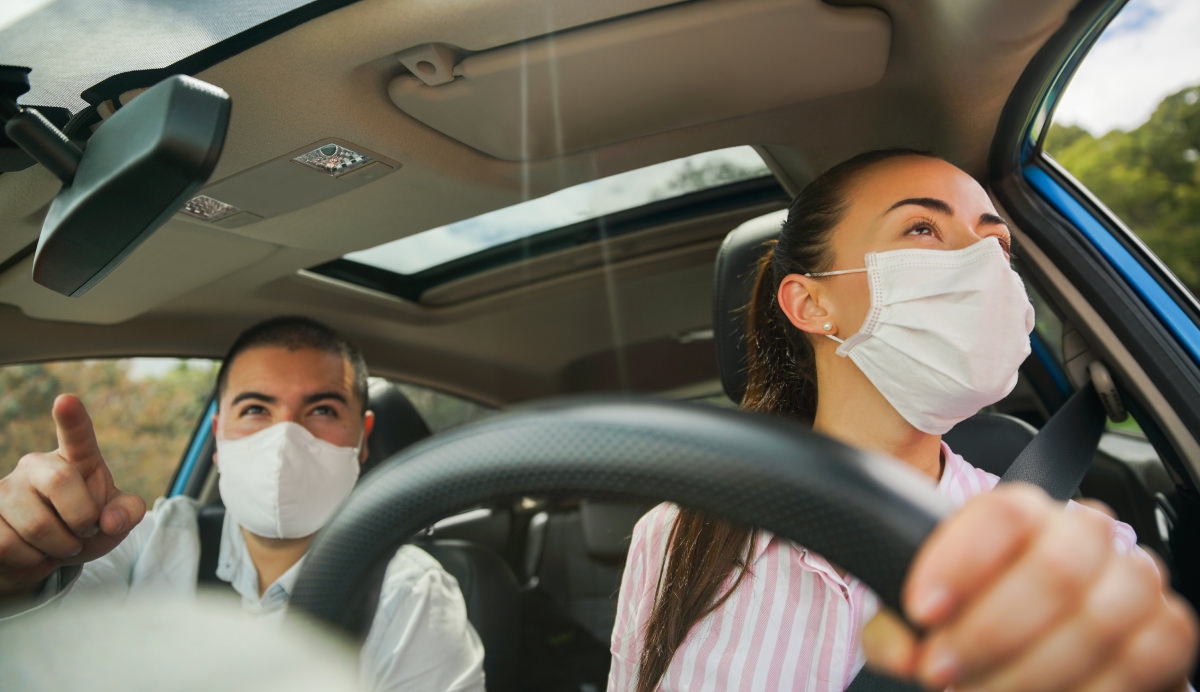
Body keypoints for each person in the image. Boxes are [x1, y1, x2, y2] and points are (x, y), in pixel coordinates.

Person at [607, 150, 1199, 692]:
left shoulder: (1077, 552)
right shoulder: (676, 535)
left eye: (998, 245)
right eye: (923, 228)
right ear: (811, 304)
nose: (983, 263)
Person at [0, 316, 486, 692]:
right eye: (255, 409)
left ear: (363, 439)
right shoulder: (144, 542)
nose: (285, 438)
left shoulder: (409, 592)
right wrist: (21, 572)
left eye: (322, 409)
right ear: (219, 438)